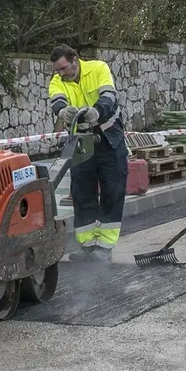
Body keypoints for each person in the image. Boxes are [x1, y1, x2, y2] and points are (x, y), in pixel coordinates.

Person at [47, 44, 128, 262]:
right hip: (81, 142)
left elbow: (109, 96)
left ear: (75, 60)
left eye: (64, 68)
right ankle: (87, 245)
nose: (61, 74)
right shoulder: (58, 80)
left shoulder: (98, 68)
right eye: (57, 70)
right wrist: (63, 110)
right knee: (82, 193)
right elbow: (57, 100)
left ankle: (104, 246)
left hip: (109, 138)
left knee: (113, 189)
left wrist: (98, 111)